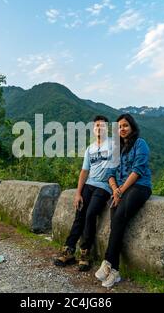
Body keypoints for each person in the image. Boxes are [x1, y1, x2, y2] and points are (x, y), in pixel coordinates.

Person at [95, 114, 152, 288]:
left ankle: (107, 262)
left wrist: (120, 190)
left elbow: (137, 170)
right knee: (116, 220)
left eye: (125, 125)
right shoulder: (117, 149)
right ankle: (115, 271)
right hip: (120, 190)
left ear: (132, 127)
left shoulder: (140, 144)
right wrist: (115, 190)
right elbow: (110, 173)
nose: (122, 129)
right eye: (119, 127)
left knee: (119, 217)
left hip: (139, 187)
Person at [54, 115, 113, 272]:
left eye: (102, 126)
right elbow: (84, 171)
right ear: (93, 129)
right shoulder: (90, 148)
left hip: (104, 187)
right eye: (96, 126)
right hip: (89, 185)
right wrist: (78, 193)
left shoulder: (114, 145)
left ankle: (85, 253)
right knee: (79, 213)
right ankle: (69, 249)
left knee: (90, 214)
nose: (99, 128)